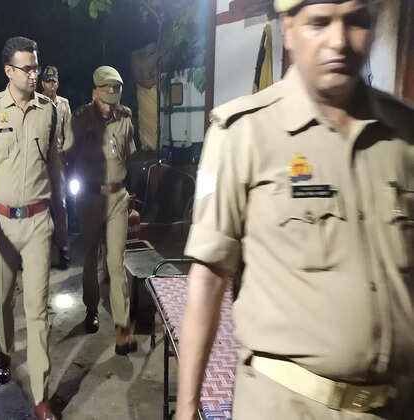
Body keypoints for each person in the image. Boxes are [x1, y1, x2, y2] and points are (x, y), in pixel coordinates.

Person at [176, 1, 414, 419]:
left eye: (356, 21)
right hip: (287, 405)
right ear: (288, 29)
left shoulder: (403, 135)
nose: (339, 41)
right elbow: (209, 278)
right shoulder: (244, 134)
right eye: (320, 22)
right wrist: (187, 407)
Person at [0, 36, 65, 420]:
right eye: (27, 68)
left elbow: (55, 168)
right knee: (2, 300)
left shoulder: (49, 112)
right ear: (9, 71)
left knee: (38, 310)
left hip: (39, 221)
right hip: (3, 223)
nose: (33, 74)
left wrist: (62, 218)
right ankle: (5, 349)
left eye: (36, 67)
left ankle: (41, 396)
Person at [69, 66, 136, 354]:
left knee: (116, 263)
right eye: (105, 101)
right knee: (90, 258)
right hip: (90, 199)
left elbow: (129, 158)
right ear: (95, 93)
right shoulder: (80, 120)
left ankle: (122, 328)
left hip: (118, 197)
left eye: (113, 102)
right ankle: (91, 309)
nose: (109, 107)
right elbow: (68, 158)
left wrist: (131, 196)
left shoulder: (125, 119)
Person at [41, 65, 73, 269]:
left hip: (58, 159)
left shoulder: (64, 105)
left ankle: (62, 248)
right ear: (42, 83)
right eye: (48, 81)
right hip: (39, 160)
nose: (51, 85)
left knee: (60, 205)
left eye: (54, 81)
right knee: (39, 205)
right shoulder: (36, 103)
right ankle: (41, 250)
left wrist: (66, 158)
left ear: (57, 83)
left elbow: (68, 134)